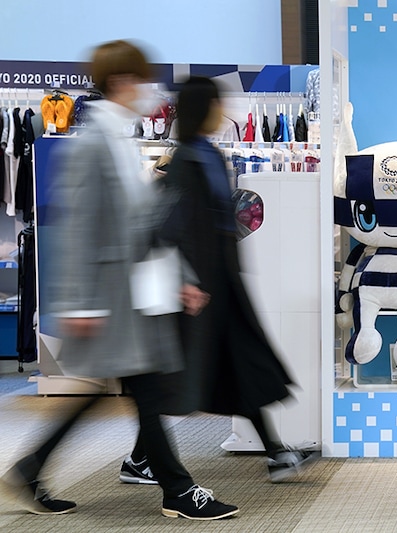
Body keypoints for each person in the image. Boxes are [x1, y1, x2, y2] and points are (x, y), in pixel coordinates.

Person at [0, 41, 238, 521]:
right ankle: (177, 489)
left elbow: (142, 223)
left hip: (133, 291)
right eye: (140, 79)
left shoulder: (117, 140)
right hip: (110, 296)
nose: (148, 89)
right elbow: (77, 229)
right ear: (120, 82)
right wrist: (79, 304)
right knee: (144, 387)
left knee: (126, 388)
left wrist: (179, 278)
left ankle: (29, 470)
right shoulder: (90, 145)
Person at [119, 75, 315, 486]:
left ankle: (277, 453)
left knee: (237, 366)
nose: (221, 111)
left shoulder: (205, 155)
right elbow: (169, 228)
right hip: (199, 292)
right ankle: (141, 458)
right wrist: (188, 282)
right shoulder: (185, 161)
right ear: (200, 109)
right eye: (215, 104)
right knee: (180, 381)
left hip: (221, 286)